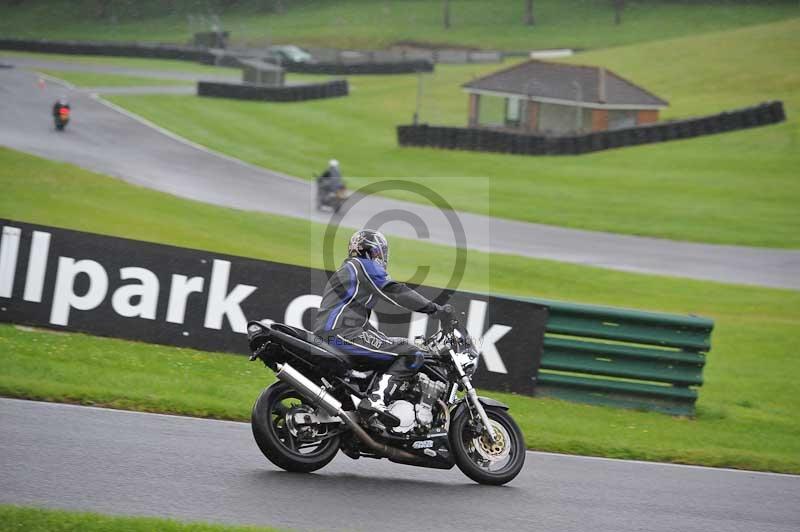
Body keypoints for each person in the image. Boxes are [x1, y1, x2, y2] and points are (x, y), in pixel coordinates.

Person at [313, 229, 450, 425]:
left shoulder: (350, 269)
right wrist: (435, 310)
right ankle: (376, 401)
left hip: (333, 334)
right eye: (381, 253)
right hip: (342, 335)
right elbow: (396, 292)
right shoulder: (364, 266)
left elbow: (359, 322)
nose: (382, 257)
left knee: (398, 346)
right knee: (411, 354)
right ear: (374, 252)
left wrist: (390, 340)